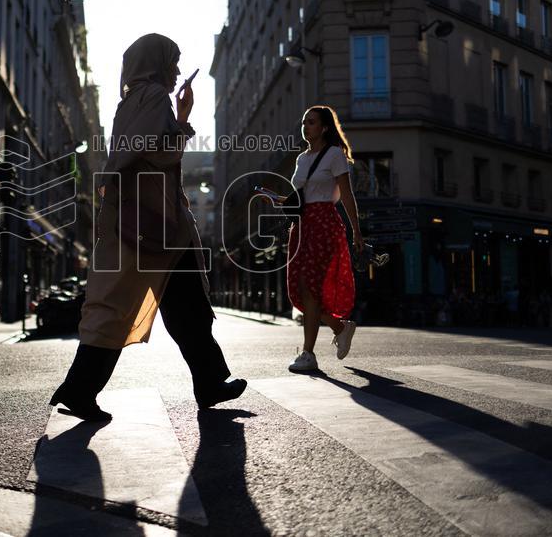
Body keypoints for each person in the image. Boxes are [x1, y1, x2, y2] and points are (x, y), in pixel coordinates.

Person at [49, 33, 247, 422]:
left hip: (149, 223)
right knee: (123, 306)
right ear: (156, 65)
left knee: (183, 309)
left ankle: (208, 382)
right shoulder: (153, 96)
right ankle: (79, 389)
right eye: (172, 63)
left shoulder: (130, 101)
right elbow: (160, 153)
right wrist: (183, 118)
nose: (176, 71)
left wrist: (179, 118)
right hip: (153, 224)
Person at [284, 106, 363, 372]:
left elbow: (347, 196)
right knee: (304, 288)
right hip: (303, 224)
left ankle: (308, 354)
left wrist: (356, 231)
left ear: (325, 127)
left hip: (324, 224)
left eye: (312, 122)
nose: (306, 127)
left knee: (310, 286)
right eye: (304, 122)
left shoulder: (334, 155)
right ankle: (341, 327)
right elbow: (301, 195)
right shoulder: (301, 158)